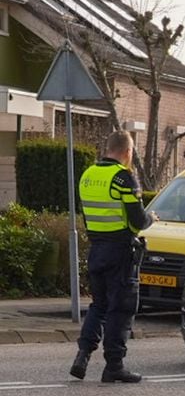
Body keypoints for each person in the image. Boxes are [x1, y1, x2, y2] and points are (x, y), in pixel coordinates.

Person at [69, 130, 155, 382]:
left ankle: (82, 355)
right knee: (122, 307)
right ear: (128, 152)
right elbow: (138, 219)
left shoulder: (88, 175)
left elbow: (89, 216)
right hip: (120, 251)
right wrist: (152, 218)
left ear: (107, 148)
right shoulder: (123, 177)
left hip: (96, 249)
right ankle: (114, 366)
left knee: (99, 305)